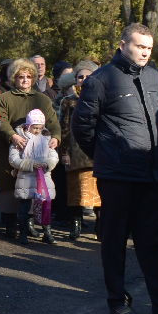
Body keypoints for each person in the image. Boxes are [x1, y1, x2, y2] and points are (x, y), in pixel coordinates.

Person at [72, 24, 158, 314]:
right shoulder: (101, 79)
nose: (145, 52)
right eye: (139, 46)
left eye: (149, 47)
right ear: (123, 44)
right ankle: (118, 300)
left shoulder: (155, 77)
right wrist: (106, 155)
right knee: (114, 240)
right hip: (117, 175)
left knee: (152, 241)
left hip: (150, 172)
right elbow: (82, 127)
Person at [0, 58, 60, 241]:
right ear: (13, 79)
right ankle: (10, 223)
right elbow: (0, 120)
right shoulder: (5, 98)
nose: (25, 80)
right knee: (10, 187)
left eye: (28, 77)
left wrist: (56, 137)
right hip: (11, 148)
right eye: (21, 77)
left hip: (37, 150)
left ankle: (29, 224)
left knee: (34, 187)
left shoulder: (42, 99)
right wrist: (13, 135)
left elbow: (53, 122)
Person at [57, 61, 99, 240]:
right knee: (75, 193)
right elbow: (64, 128)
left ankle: (100, 227)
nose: (83, 80)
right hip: (75, 153)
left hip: (98, 154)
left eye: (87, 76)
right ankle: (76, 225)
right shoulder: (68, 101)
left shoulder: (102, 98)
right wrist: (64, 152)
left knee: (99, 194)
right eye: (80, 77)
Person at [9, 108, 59, 245]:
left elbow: (54, 156)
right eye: (34, 128)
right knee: (24, 208)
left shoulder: (47, 139)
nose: (37, 131)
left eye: (40, 128)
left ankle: (47, 232)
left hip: (43, 178)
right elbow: (13, 159)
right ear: (28, 126)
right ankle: (23, 232)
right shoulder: (20, 140)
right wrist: (29, 164)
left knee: (46, 206)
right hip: (26, 178)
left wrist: (47, 163)